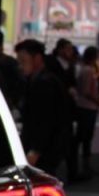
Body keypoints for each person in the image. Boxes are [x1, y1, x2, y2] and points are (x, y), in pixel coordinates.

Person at [14, 39, 73, 176]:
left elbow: (45, 119)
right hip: (45, 145)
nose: (20, 66)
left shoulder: (45, 82)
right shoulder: (38, 79)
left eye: (23, 61)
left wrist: (35, 150)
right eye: (19, 62)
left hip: (46, 148)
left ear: (37, 58)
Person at [46, 38, 81, 181]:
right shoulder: (51, 63)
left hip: (67, 110)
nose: (70, 52)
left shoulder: (70, 65)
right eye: (68, 49)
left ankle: (72, 172)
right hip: (55, 109)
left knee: (69, 141)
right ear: (60, 49)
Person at [73, 46, 99, 180]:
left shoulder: (84, 69)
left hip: (84, 106)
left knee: (84, 137)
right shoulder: (88, 71)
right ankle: (83, 166)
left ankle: (82, 166)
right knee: (85, 137)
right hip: (88, 107)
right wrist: (97, 100)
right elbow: (86, 91)